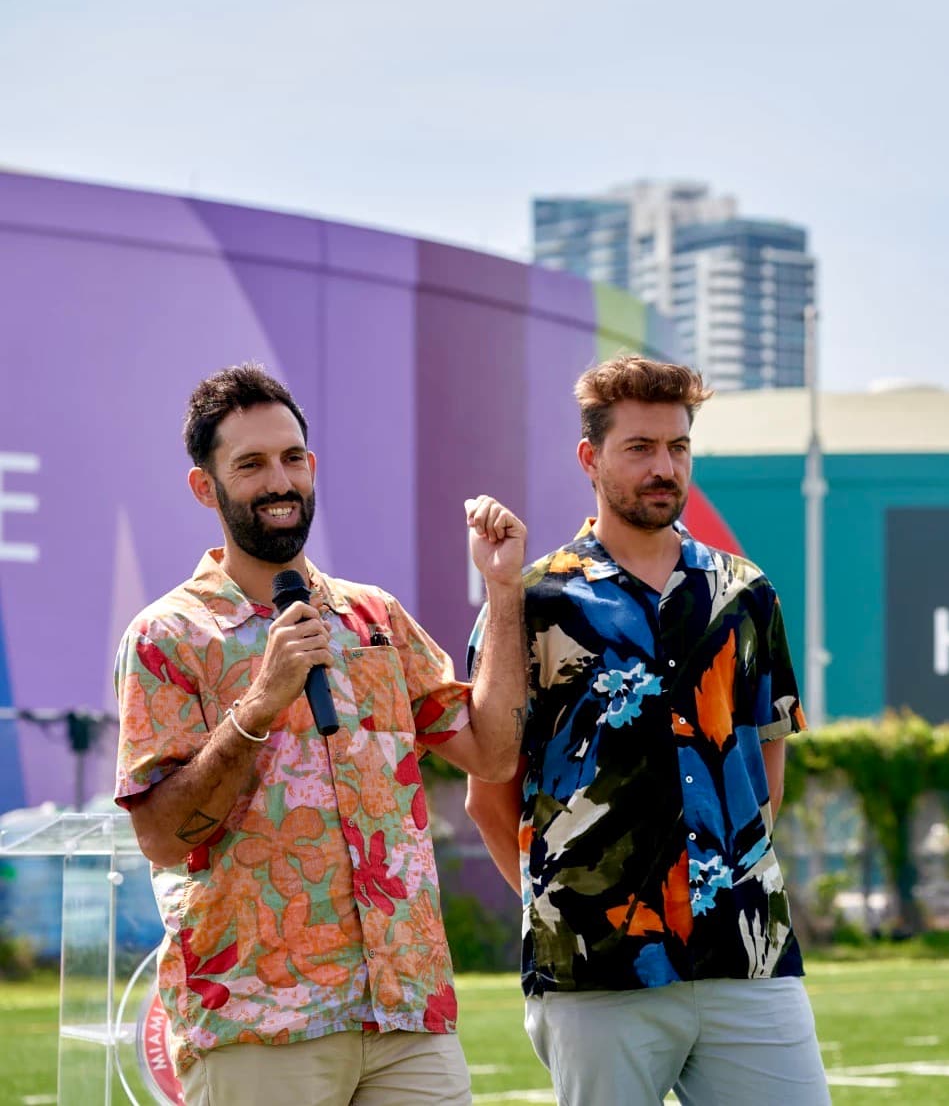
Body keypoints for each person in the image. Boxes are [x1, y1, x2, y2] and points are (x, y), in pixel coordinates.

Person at [113, 364, 528, 1106]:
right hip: (258, 1023)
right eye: (250, 464)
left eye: (292, 458)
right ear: (205, 487)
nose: (280, 481)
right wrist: (259, 705)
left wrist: (502, 591)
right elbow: (162, 837)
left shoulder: (374, 618)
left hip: (407, 1013)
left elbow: (493, 754)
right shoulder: (167, 636)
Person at [465, 355, 830, 1106]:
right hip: (595, 969)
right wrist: (562, 908)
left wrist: (719, 886)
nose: (664, 467)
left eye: (678, 446)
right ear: (589, 458)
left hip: (747, 953)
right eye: (639, 447)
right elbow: (488, 796)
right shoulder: (532, 603)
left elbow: (766, 770)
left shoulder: (745, 594)